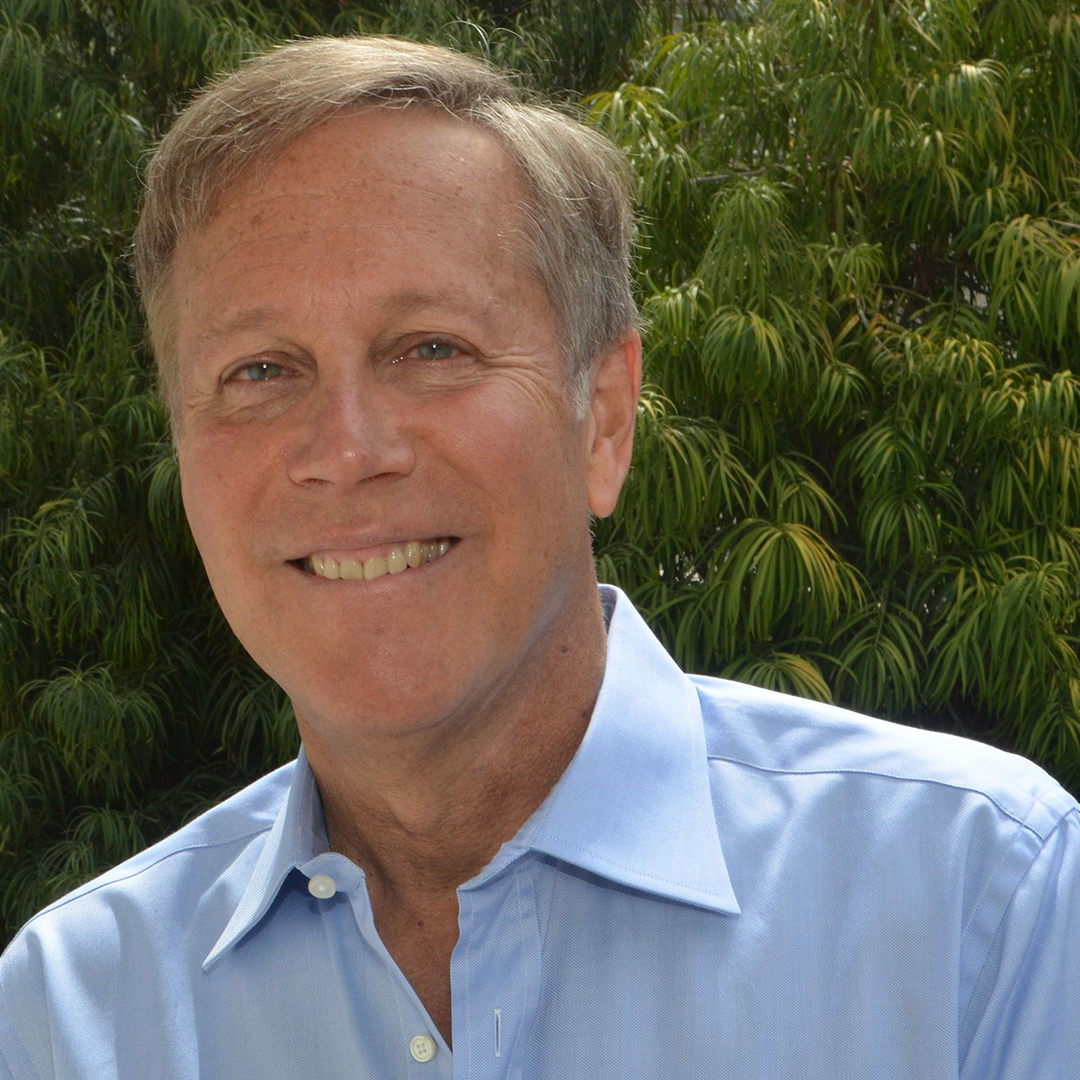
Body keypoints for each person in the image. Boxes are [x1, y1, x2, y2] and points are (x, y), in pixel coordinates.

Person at [1, 34, 1077, 1080]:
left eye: (431, 350)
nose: (346, 452)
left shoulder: (983, 904)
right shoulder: (70, 1015)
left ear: (604, 418)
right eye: (259, 371)